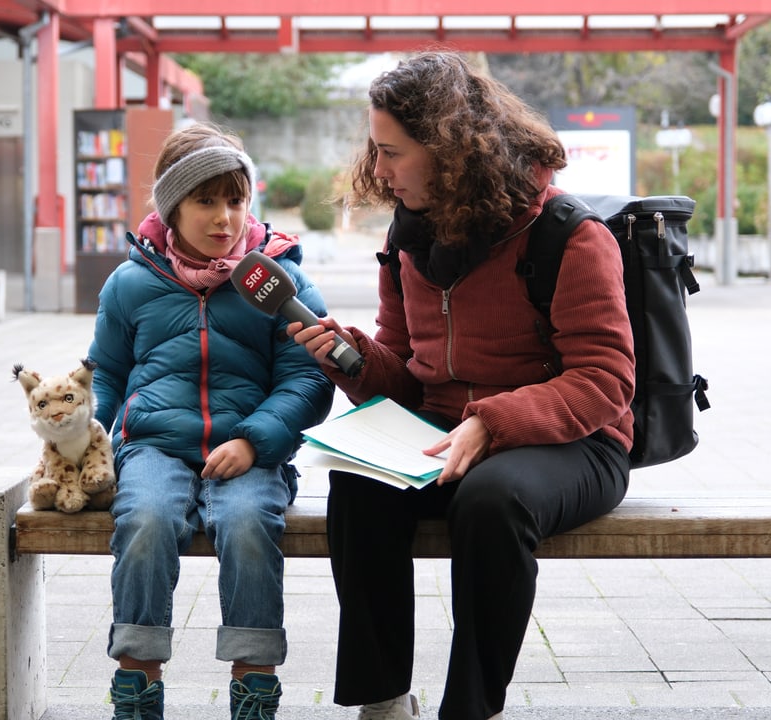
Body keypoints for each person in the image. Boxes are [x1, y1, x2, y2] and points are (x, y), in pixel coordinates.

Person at [288, 52, 636, 720]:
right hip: (445, 435)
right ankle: (384, 701)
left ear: (449, 151)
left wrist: (492, 422)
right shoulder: (409, 235)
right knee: (356, 481)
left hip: (575, 444)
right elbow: (408, 375)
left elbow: (605, 380)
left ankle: (471, 708)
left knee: (491, 500)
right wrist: (352, 358)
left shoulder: (569, 235)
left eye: (392, 152)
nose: (380, 170)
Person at [88, 121, 336, 720]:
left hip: (250, 449)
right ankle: (137, 682)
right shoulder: (129, 283)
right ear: (173, 206)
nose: (224, 217)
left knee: (251, 521)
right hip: (153, 445)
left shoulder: (280, 281)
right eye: (205, 200)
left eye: (236, 198)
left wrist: (256, 441)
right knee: (145, 519)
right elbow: (106, 374)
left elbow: (308, 379)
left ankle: (254, 686)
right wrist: (93, 446)